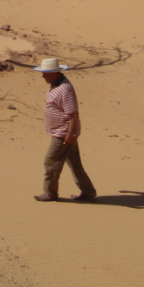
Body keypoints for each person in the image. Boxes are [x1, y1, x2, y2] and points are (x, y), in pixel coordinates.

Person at [33, 58, 97, 202]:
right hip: (63, 132)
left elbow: (73, 114)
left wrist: (69, 136)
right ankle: (88, 192)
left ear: (54, 73)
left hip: (63, 133)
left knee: (50, 161)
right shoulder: (56, 84)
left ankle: (50, 193)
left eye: (45, 73)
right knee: (75, 164)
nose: (42, 75)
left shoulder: (65, 89)